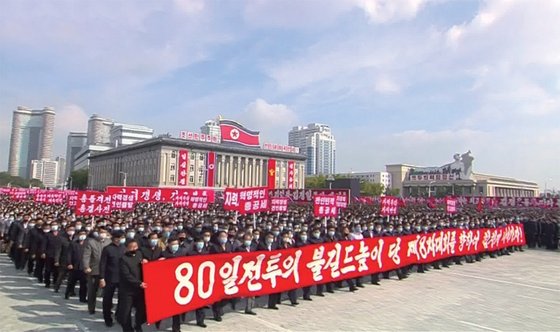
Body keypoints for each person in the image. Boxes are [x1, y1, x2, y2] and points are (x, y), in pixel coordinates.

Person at [117, 239, 147, 332]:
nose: (134, 248)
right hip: (127, 290)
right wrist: (139, 283)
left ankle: (138, 325)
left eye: (135, 246)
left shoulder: (139, 255)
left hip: (139, 290)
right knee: (126, 312)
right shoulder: (123, 259)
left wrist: (145, 263)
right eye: (131, 247)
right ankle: (127, 329)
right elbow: (126, 275)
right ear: (126, 248)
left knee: (141, 310)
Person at [159, 237, 187, 332]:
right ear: (168, 245)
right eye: (173, 244)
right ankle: (158, 320)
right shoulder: (163, 254)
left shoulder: (182, 253)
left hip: (179, 282)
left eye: (176, 244)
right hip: (167, 283)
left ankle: (176, 328)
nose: (175, 246)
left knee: (177, 308)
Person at [99, 230, 126, 327]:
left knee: (122, 298)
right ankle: (107, 318)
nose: (120, 239)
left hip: (122, 278)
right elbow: (102, 264)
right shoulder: (107, 249)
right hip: (109, 278)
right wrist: (101, 278)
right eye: (119, 237)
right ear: (114, 238)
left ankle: (119, 316)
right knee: (107, 299)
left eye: (122, 237)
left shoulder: (124, 248)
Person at [83, 227, 110, 315]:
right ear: (98, 233)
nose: (103, 234)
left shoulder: (109, 242)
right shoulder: (91, 242)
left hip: (107, 270)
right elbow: (86, 256)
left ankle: (107, 308)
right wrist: (86, 266)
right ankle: (91, 308)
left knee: (108, 291)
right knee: (92, 291)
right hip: (94, 269)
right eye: (101, 232)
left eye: (105, 232)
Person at [235, 233, 257, 315]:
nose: (248, 241)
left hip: (252, 271)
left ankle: (249, 308)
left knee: (252, 291)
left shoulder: (253, 248)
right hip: (243, 271)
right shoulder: (239, 249)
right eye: (246, 239)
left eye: (249, 239)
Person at [65, 229, 88, 302]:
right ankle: (67, 294)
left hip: (83, 267)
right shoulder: (73, 243)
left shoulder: (87, 244)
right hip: (74, 266)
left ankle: (82, 298)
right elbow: (69, 254)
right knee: (71, 282)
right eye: (81, 234)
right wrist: (69, 263)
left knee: (83, 284)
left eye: (84, 234)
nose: (82, 235)